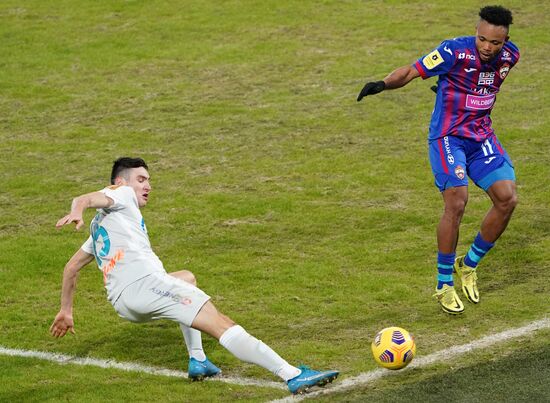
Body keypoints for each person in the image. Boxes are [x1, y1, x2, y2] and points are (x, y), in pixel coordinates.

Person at [50, 157, 338, 394]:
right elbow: (84, 198)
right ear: (120, 182)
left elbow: (71, 268)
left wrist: (66, 310)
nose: (148, 186)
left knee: (186, 278)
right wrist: (77, 210)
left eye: (149, 180)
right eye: (141, 179)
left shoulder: (102, 227)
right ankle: (293, 374)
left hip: (125, 303)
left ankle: (198, 359)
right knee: (221, 323)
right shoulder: (120, 194)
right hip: (146, 286)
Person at [356, 6, 519, 314]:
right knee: (457, 202)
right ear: (476, 33)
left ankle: (468, 265)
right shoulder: (453, 51)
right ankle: (443, 284)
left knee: (507, 199)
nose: (487, 47)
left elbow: (483, 85)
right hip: (448, 137)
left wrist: (454, 88)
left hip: (481, 136)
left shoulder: (511, 56)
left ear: (506, 41)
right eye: (482, 39)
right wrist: (383, 84)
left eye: (495, 43)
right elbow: (411, 71)